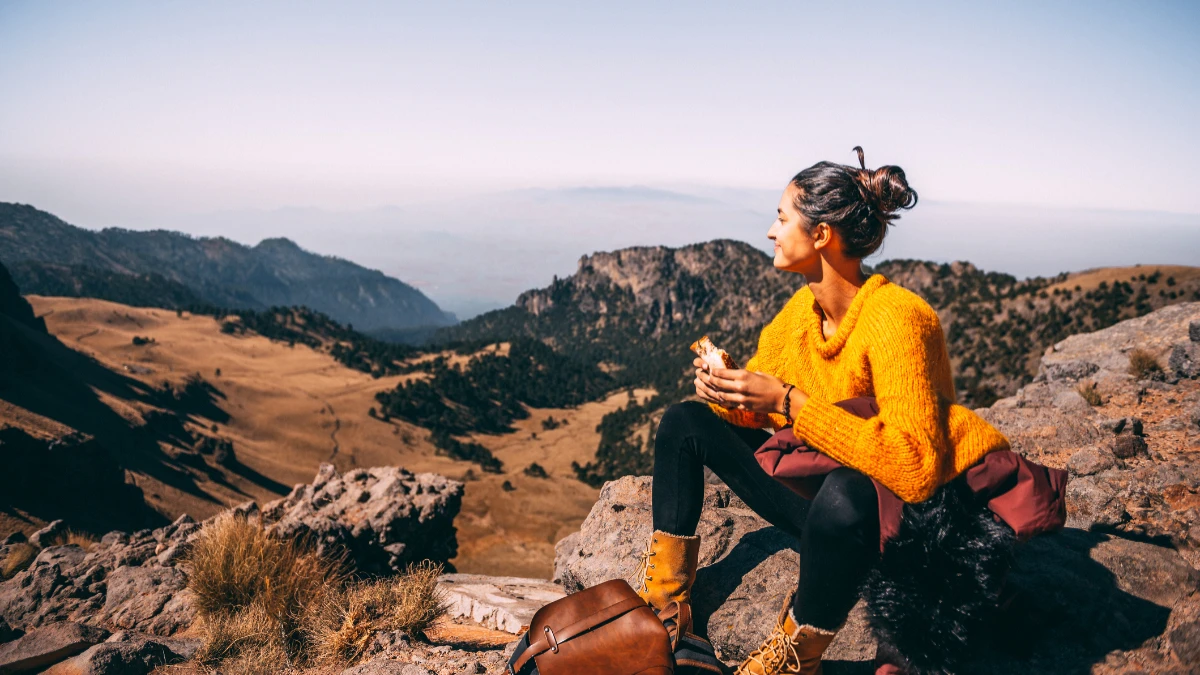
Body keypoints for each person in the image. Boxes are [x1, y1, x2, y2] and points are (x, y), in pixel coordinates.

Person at [630, 147, 1012, 675]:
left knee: (845, 491)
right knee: (683, 423)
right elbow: (760, 415)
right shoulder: (800, 316)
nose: (770, 230)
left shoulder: (898, 319)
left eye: (782, 218)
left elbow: (915, 468)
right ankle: (664, 610)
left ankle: (794, 658)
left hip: (897, 523)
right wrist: (733, 392)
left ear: (822, 235)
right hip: (824, 505)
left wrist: (788, 402)